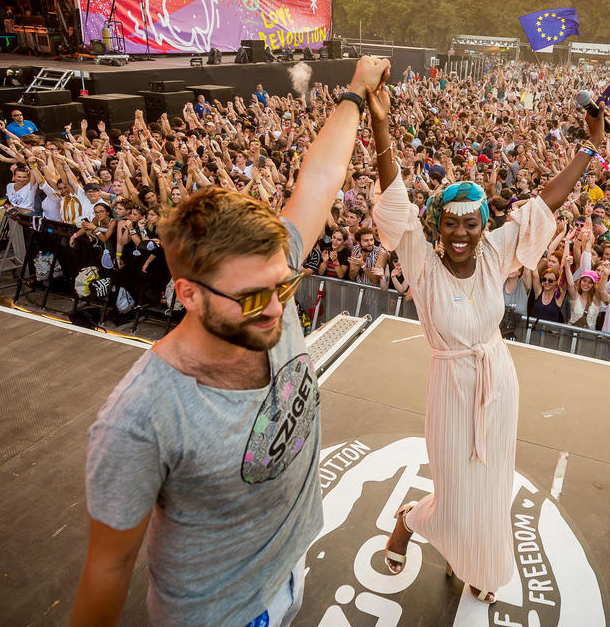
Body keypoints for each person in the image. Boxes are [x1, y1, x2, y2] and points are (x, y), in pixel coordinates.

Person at [69, 55, 390, 627]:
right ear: (187, 295)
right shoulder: (142, 417)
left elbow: (319, 178)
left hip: (290, 565)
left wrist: (355, 94)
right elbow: (109, 567)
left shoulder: (264, 278)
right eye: (249, 299)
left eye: (284, 285)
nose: (273, 309)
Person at [369, 81, 605, 603]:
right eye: (450, 224)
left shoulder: (499, 252)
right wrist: (380, 123)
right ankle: (410, 519)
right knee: (456, 493)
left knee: (493, 485)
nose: (460, 234)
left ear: (483, 227)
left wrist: (588, 149)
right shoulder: (422, 264)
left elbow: (545, 203)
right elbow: (395, 202)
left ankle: (481, 565)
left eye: (470, 225)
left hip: (497, 381)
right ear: (437, 228)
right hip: (450, 386)